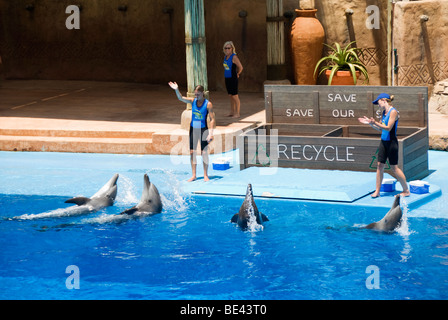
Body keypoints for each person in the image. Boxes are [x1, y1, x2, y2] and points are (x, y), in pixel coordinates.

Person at [358, 93, 410, 198]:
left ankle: (406, 190)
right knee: (379, 165)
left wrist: (375, 122)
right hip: (383, 142)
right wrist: (370, 123)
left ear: (383, 100)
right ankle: (377, 191)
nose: (378, 105)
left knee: (394, 168)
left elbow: (388, 127)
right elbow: (380, 129)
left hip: (391, 143)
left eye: (378, 102)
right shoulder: (384, 113)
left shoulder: (393, 112)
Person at [168, 81, 215, 182]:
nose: (196, 96)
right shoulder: (193, 101)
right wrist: (176, 90)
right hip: (194, 128)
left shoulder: (208, 104)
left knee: (204, 152)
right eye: (195, 94)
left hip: (203, 129)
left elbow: (212, 119)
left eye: (198, 94)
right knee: (192, 152)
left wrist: (211, 133)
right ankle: (194, 175)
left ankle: (205, 175)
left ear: (203, 93)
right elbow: (181, 98)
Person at [222, 41, 243, 118]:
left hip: (233, 78)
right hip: (227, 78)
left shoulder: (234, 57)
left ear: (232, 48)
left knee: (235, 96)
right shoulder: (225, 57)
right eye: (226, 48)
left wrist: (238, 73)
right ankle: (232, 111)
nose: (227, 49)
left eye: (228, 48)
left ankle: (237, 113)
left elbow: (241, 67)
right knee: (230, 95)